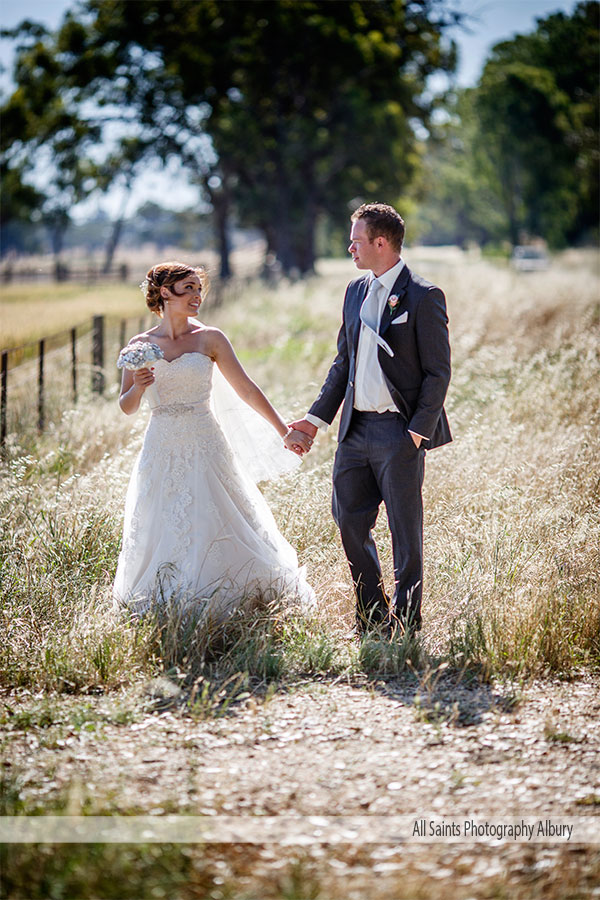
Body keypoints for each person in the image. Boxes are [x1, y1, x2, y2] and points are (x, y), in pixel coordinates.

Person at [113, 261, 315, 618]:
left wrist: (284, 430)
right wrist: (140, 387)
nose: (196, 296)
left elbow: (247, 390)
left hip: (205, 439)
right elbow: (126, 406)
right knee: (162, 517)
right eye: (187, 288)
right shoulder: (140, 345)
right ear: (165, 293)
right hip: (161, 443)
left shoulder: (210, 338)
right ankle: (168, 596)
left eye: (197, 288)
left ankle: (230, 592)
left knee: (216, 513)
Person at [290, 203, 451, 636]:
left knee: (405, 532)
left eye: (356, 241)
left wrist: (416, 434)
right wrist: (314, 420)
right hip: (354, 431)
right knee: (348, 521)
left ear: (380, 243)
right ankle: (374, 619)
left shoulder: (424, 295)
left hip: (399, 433)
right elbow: (343, 362)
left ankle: (409, 623)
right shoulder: (354, 291)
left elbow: (438, 372)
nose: (350, 248)